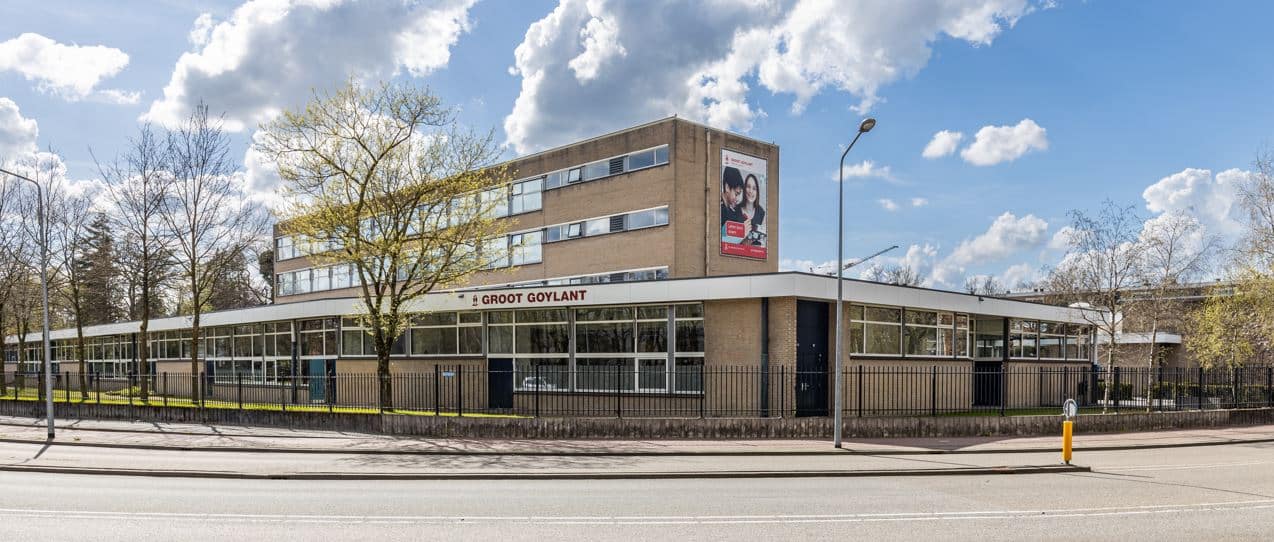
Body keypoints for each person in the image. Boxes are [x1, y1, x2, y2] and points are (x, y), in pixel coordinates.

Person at [739, 173, 765, 239]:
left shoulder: (761, 213)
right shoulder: (735, 210)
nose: (751, 191)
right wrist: (741, 233)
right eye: (748, 187)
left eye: (754, 188)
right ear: (744, 189)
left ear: (757, 192)